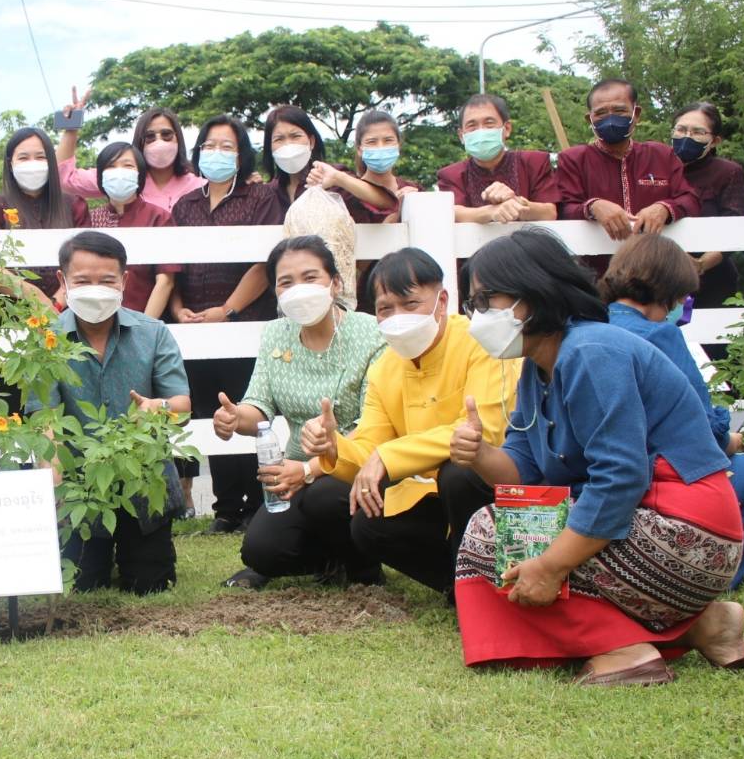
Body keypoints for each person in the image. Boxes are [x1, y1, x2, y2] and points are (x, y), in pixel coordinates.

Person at [449, 227, 744, 684]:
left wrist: (552, 565)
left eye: (485, 300)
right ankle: (704, 627)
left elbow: (621, 478)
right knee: (509, 524)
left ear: (531, 293)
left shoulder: (592, 351)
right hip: (660, 527)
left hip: (686, 529)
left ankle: (623, 650)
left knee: (489, 533)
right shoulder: (537, 369)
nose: (477, 316)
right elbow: (525, 473)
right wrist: (478, 454)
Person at [300, 247, 512, 599]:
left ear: (442, 301)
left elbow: (483, 431)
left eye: (410, 303)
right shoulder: (385, 367)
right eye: (385, 308)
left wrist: (387, 455)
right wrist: (335, 446)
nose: (397, 316)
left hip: (490, 483)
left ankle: (485, 588)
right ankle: (457, 586)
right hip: (423, 492)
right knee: (362, 523)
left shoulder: (479, 343)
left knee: (461, 472)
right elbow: (370, 443)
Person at [600, 234, 744, 588]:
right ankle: (718, 576)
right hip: (652, 482)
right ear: (667, 290)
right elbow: (703, 427)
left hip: (594, 480)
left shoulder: (588, 327)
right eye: (682, 296)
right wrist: (733, 438)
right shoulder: (660, 335)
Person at [216, 236, 386, 590]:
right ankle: (330, 558)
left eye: (310, 277)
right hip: (295, 475)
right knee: (261, 551)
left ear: (335, 283)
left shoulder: (371, 333)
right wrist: (235, 418)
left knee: (327, 498)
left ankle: (364, 568)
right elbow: (258, 407)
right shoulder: (276, 334)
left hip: (356, 466)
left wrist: (310, 469)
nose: (298, 290)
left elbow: (377, 423)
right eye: (286, 282)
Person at [35, 231, 190, 593]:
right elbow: (44, 418)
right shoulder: (45, 341)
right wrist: (53, 479)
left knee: (149, 582)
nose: (95, 290)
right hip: (80, 490)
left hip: (144, 485)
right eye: (82, 281)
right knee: (84, 583)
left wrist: (157, 407)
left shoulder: (154, 334)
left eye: (106, 281)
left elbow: (182, 404)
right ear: (62, 282)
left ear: (125, 280)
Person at [170, 114, 285, 532]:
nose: (216, 154)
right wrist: (179, 309)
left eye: (227, 146)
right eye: (209, 146)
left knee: (246, 411)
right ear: (197, 152)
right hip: (195, 329)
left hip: (244, 324)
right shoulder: (185, 205)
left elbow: (263, 263)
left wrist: (229, 310)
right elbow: (174, 266)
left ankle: (256, 503)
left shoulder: (259, 198)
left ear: (242, 154)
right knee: (208, 412)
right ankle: (225, 507)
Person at [557, 79, 700, 240]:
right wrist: (593, 206)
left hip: (657, 259)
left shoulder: (662, 155)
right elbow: (562, 209)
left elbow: (690, 200)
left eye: (619, 110)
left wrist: (664, 208)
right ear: (590, 119)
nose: (610, 119)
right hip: (595, 263)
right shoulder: (573, 159)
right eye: (601, 113)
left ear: (636, 114)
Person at [0, 126, 87, 304]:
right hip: (10, 312)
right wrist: (36, 297)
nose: (32, 163)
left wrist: (56, 304)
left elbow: (85, 261)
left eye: (40, 157)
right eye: (23, 157)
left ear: (51, 162)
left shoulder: (74, 205)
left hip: (67, 309)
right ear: (10, 164)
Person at [54, 89, 206, 212]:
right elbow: (64, 179)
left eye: (166, 135)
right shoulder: (123, 176)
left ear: (178, 139)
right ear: (140, 142)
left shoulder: (200, 187)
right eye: (150, 136)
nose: (159, 141)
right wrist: (71, 128)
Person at [84, 141, 178, 317]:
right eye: (111, 166)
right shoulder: (91, 218)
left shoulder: (159, 217)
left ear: (140, 174)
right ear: (101, 176)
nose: (119, 172)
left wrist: (143, 328)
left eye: (127, 166)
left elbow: (165, 280)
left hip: (145, 321)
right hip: (96, 321)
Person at [436, 93, 559, 223]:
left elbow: (550, 212)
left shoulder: (534, 163)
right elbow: (451, 212)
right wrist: (491, 211)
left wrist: (515, 204)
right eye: (472, 126)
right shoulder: (450, 175)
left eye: (489, 124)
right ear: (461, 135)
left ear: (507, 129)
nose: (481, 131)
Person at [670, 103, 744, 308]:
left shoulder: (728, 172)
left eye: (698, 132)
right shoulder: (659, 167)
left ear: (715, 140)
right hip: (661, 274)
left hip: (712, 276)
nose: (687, 137)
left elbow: (733, 227)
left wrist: (700, 265)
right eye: (681, 129)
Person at [306, 110, 422, 226]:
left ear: (398, 145)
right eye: (372, 142)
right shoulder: (344, 193)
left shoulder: (413, 191)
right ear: (359, 149)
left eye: (388, 140)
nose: (380, 147)